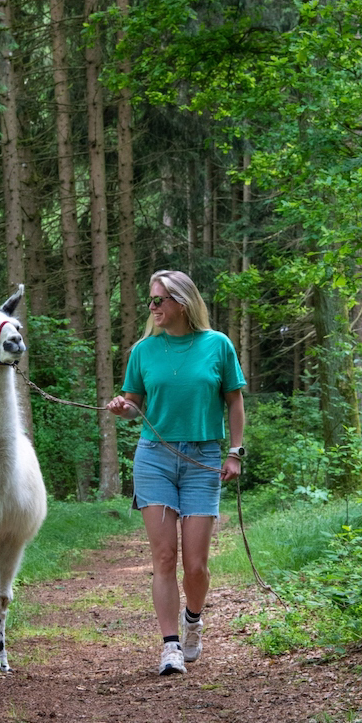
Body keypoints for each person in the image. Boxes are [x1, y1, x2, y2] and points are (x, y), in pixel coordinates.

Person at [103, 270, 246, 675]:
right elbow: (134, 405)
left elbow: (234, 401)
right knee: (164, 557)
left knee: (196, 565)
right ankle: (169, 647)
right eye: (151, 300)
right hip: (154, 457)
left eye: (159, 300)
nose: (152, 307)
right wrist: (122, 408)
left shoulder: (217, 346)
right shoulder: (143, 351)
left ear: (181, 302)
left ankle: (193, 621)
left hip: (202, 458)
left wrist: (234, 452)